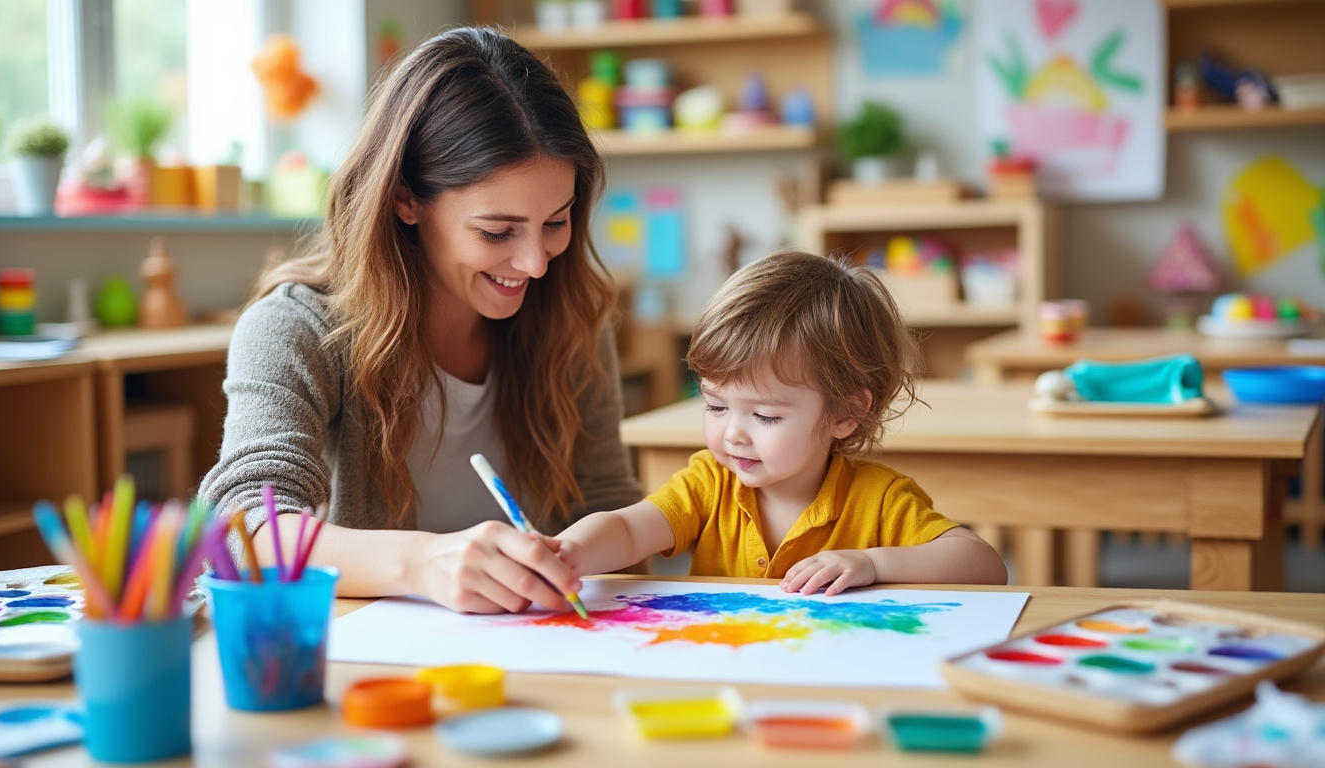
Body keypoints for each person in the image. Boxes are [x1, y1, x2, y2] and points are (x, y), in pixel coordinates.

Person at [198, 26, 643, 614]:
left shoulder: (570, 315)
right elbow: (241, 527)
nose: (536, 263)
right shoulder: (296, 329)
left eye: (555, 222)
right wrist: (421, 562)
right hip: (371, 654)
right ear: (406, 198)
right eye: (497, 232)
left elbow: (609, 504)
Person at [553, 250, 1009, 595]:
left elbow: (983, 564)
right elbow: (629, 529)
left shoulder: (878, 499)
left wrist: (873, 564)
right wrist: (569, 551)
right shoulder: (709, 484)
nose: (733, 433)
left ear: (847, 413)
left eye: (764, 415)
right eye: (715, 406)